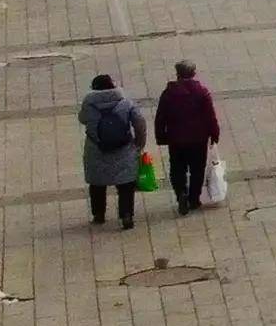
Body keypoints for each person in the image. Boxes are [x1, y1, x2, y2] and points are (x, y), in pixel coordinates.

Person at [78, 75, 146, 230]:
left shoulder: (89, 103)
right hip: (124, 150)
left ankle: (99, 214)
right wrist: (139, 144)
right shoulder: (125, 103)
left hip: (96, 150)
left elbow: (82, 119)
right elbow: (139, 122)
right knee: (126, 184)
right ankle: (126, 215)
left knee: (97, 184)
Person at [154, 61, 221, 215]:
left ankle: (181, 194)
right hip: (198, 138)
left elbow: (160, 117)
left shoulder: (169, 93)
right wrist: (214, 134)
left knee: (177, 169)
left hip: (176, 139)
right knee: (197, 169)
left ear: (177, 74)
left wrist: (161, 136)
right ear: (193, 73)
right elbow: (210, 116)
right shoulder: (202, 92)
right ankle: (194, 198)